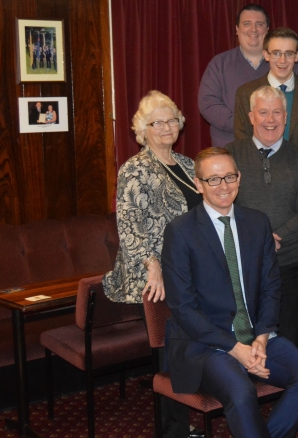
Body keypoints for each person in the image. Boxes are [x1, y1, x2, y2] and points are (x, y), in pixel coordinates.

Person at [162, 147, 298, 438]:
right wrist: (237, 350)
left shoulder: (257, 222)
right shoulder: (181, 231)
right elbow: (183, 307)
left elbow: (271, 286)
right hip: (206, 344)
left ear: (239, 178)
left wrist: (261, 337)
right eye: (213, 179)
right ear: (198, 184)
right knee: (241, 391)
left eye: (229, 177)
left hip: (257, 336)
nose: (223, 186)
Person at [102, 90, 202, 437]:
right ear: (142, 129)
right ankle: (173, 429)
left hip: (189, 269)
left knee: (189, 347)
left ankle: (186, 417)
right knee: (170, 350)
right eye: (157, 122)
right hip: (156, 275)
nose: (166, 127)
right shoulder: (134, 169)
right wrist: (153, 267)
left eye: (172, 120)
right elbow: (128, 226)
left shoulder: (189, 165)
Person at [227, 85, 298, 348]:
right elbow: (222, 203)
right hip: (245, 266)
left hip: (290, 267)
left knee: (289, 339)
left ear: (286, 117)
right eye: (263, 112)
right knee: (247, 338)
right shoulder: (231, 155)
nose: (270, 120)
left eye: (277, 112)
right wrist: (259, 241)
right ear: (251, 116)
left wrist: (277, 237)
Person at [198, 4, 298, 147]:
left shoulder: (291, 66)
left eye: (259, 24)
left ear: (267, 30)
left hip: (283, 148)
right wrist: (248, 124)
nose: (253, 29)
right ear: (237, 29)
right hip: (231, 145)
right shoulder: (219, 64)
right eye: (246, 24)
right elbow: (208, 103)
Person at [234, 28, 298, 154]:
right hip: (259, 169)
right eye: (276, 53)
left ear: (297, 56)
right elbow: (243, 140)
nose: (282, 60)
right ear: (266, 55)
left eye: (288, 54)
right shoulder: (246, 93)